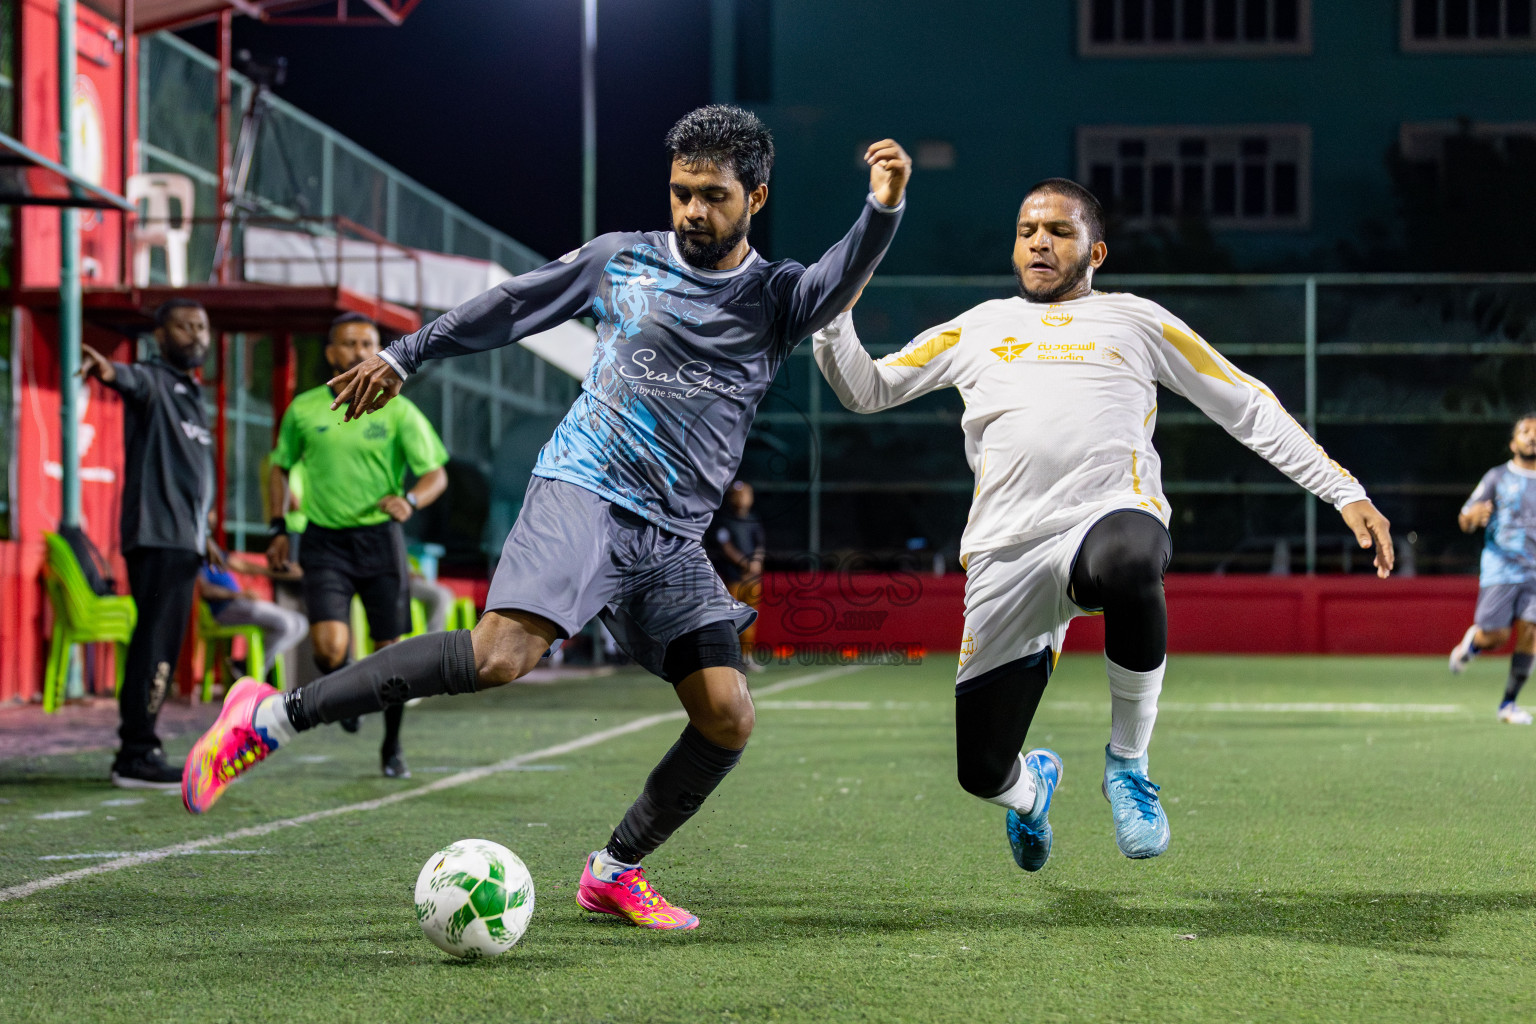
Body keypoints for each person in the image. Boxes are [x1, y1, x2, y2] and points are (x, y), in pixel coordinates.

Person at [183, 104, 910, 930]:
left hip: (670, 537)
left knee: (728, 714)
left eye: (712, 196)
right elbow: (509, 305)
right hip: (585, 489)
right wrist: (405, 352)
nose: (692, 212)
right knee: (499, 657)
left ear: (757, 198)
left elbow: (835, 281)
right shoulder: (621, 262)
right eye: (680, 193)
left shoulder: (776, 297)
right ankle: (270, 717)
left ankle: (613, 870)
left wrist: (881, 210)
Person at [812, 178, 1393, 872]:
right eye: (1028, 230)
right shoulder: (978, 326)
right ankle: (1033, 794)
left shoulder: (1137, 320)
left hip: (1106, 520)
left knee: (1131, 556)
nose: (1039, 242)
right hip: (1005, 552)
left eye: (1058, 231)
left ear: (1097, 251)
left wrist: (1342, 489)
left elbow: (1247, 405)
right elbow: (867, 388)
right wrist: (832, 315)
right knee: (981, 771)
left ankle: (1128, 766)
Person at [264, 313, 449, 779]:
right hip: (324, 542)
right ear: (331, 354)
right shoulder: (304, 408)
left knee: (392, 652)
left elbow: (435, 475)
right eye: (348, 343)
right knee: (328, 650)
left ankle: (391, 746)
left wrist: (410, 499)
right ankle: (350, 690)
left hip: (379, 541)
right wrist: (277, 528)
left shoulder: (399, 409)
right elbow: (278, 468)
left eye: (367, 343)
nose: (358, 351)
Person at [79, 299, 218, 789]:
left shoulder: (192, 393)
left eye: (201, 326)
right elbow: (126, 378)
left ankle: (143, 745)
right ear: (160, 336)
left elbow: (192, 477)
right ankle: (135, 753)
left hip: (185, 541)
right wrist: (108, 371)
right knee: (154, 645)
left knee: (160, 643)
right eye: (184, 326)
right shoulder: (153, 379)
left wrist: (207, 534)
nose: (196, 334)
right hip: (158, 538)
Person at [1448, 413, 1536, 724]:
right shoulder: (1497, 477)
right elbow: (1465, 519)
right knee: (1496, 636)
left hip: (1535, 573)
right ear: (1513, 442)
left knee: (1531, 632)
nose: (1531, 436)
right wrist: (1473, 517)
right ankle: (1473, 644)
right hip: (1501, 568)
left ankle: (1508, 705)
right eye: (1525, 431)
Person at [198, 533, 309, 681]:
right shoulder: (194, 557)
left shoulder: (215, 552)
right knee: (286, 625)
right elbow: (204, 590)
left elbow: (243, 565)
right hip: (224, 608)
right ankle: (250, 673)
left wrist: (279, 573)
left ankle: (246, 667)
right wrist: (240, 595)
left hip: (241, 604)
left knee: (301, 623)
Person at [710, 480, 766, 668]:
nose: (741, 498)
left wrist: (756, 563)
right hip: (733, 577)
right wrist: (746, 564)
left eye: (745, 494)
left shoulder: (753, 520)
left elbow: (759, 545)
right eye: (737, 495)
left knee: (750, 618)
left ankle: (747, 656)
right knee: (732, 619)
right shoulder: (724, 521)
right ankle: (730, 657)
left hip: (752, 579)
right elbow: (726, 547)